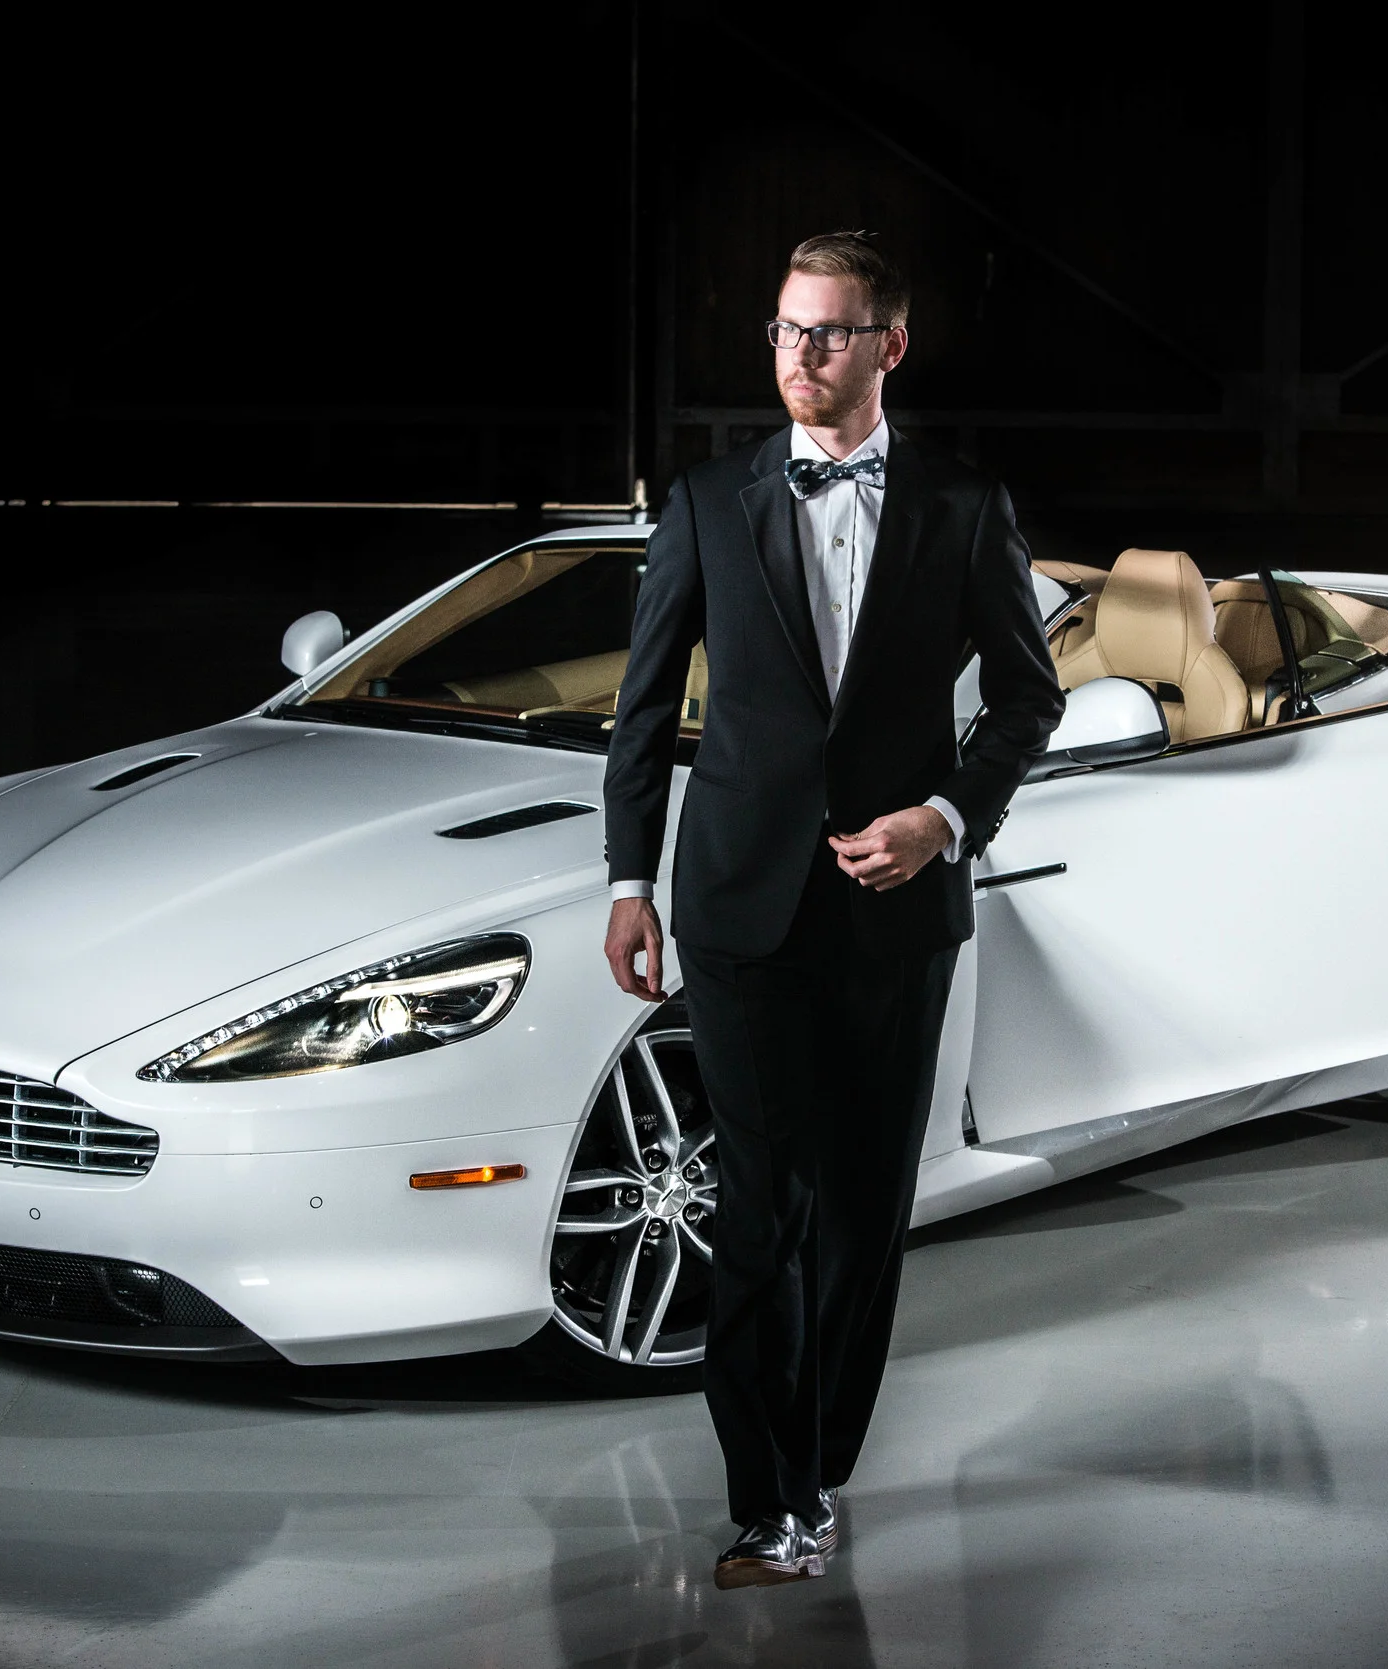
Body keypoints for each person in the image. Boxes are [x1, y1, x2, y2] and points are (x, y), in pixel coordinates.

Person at [601, 232, 1064, 1588]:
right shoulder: (702, 500)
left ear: (890, 346)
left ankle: (821, 1464)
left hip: (893, 920)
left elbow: (1030, 698)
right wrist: (631, 881)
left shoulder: (964, 506)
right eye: (786, 330)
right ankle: (768, 1500)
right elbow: (641, 714)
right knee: (761, 1208)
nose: (801, 355)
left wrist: (946, 820)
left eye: (831, 333)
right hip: (739, 909)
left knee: (862, 1212)